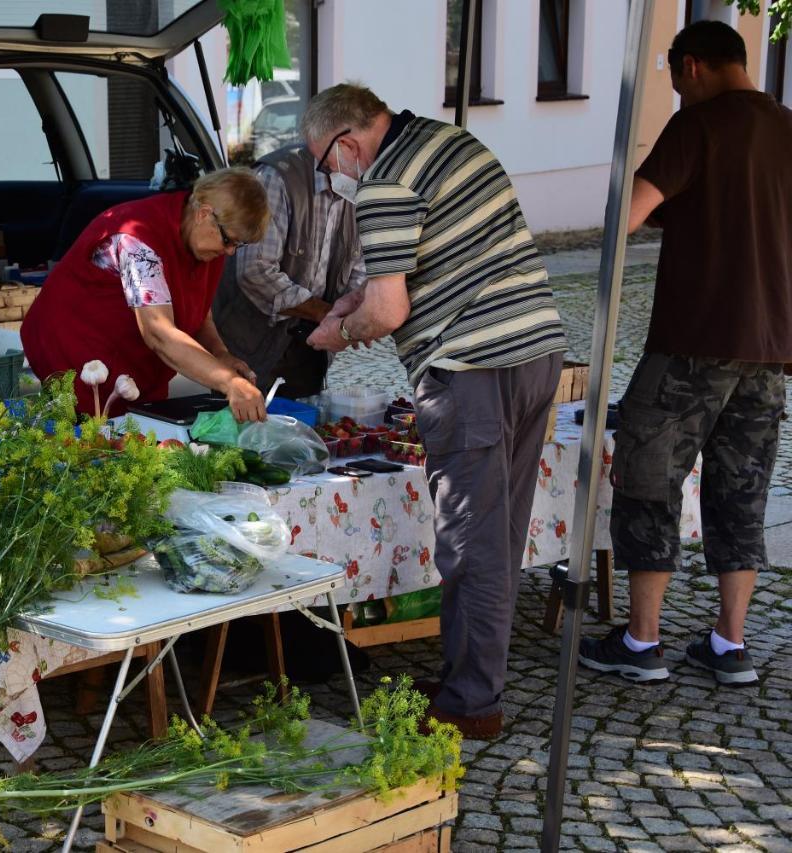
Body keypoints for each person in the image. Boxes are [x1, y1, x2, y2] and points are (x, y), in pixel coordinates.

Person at [303, 84, 569, 739]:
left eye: (325, 163)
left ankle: (474, 702)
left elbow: (389, 311)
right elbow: (421, 258)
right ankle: (466, 678)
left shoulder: (385, 183)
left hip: (472, 369)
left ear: (347, 142)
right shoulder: (448, 142)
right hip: (533, 353)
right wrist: (354, 297)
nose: (331, 177)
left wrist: (340, 330)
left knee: (470, 542)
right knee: (497, 535)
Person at [578, 21, 792, 687]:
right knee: (743, 490)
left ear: (692, 66)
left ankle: (642, 640)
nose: (675, 93)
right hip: (771, 347)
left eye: (674, 80)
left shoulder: (699, 125)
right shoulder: (787, 127)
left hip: (693, 340)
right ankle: (730, 643)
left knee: (646, 475)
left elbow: (631, 212)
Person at [21, 168, 270, 422]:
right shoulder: (138, 240)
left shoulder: (206, 242)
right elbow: (158, 333)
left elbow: (199, 314)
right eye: (229, 241)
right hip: (76, 355)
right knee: (93, 442)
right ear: (204, 214)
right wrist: (228, 382)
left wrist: (220, 355)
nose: (230, 252)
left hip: (131, 367)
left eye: (238, 245)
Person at [211, 138, 368, 399]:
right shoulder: (278, 176)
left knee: (303, 430)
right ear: (346, 145)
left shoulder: (360, 187)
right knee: (240, 432)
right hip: (251, 342)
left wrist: (350, 314)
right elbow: (255, 270)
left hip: (310, 345)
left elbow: (360, 269)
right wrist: (325, 312)